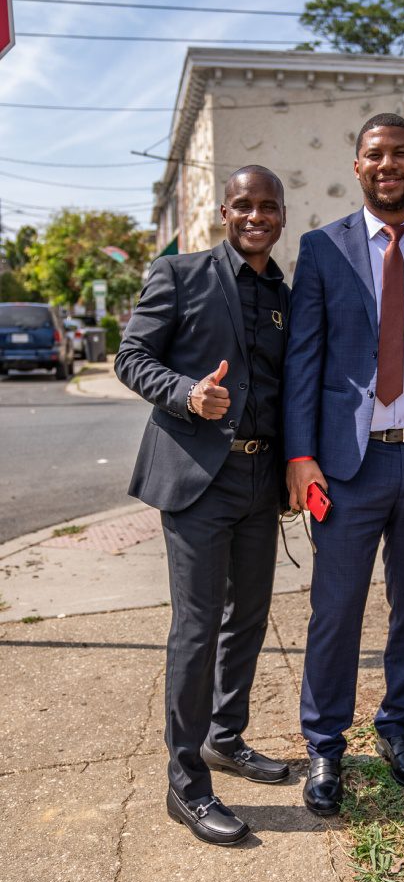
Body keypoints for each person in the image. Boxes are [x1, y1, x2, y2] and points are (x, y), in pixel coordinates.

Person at [284, 113, 404, 816]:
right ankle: (325, 746)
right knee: (334, 610)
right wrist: (300, 457)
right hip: (345, 467)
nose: (387, 163)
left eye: (400, 152)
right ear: (357, 165)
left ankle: (399, 728)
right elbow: (303, 362)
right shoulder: (322, 250)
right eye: (374, 154)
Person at [115, 166, 291, 845]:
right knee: (195, 628)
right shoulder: (181, 275)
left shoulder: (282, 290)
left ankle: (225, 737)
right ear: (224, 211)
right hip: (196, 477)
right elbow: (132, 356)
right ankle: (185, 784)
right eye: (243, 204)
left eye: (267, 206)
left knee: (247, 615)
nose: (255, 216)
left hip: (259, 475)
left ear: (280, 214)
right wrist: (187, 392)